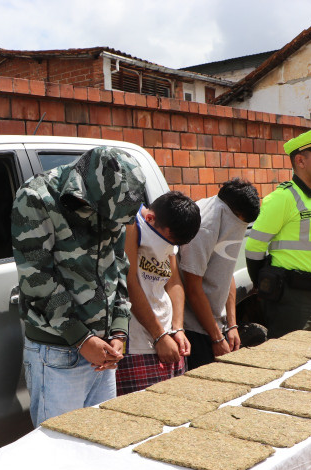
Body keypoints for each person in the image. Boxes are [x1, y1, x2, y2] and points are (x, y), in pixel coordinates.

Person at [11, 146, 146, 427]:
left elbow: (119, 266)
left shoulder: (116, 199)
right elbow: (37, 278)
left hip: (104, 352)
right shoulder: (37, 197)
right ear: (87, 192)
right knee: (60, 456)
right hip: (58, 351)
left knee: (99, 449)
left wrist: (119, 331)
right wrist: (82, 339)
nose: (112, 225)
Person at [245, 124, 311, 339]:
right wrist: (262, 286)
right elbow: (254, 247)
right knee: (288, 360)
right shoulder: (283, 198)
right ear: (300, 161)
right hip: (289, 297)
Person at [115, 191, 201, 395]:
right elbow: (129, 282)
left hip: (169, 339)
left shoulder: (168, 229)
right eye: (168, 240)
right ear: (150, 218)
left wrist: (178, 328)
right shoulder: (132, 224)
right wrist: (159, 336)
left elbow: (174, 282)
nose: (169, 247)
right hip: (137, 345)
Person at [180, 178, 261, 370]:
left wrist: (231, 325)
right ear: (236, 213)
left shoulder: (229, 214)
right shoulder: (204, 226)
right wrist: (216, 338)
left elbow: (227, 272)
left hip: (216, 325)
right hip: (195, 329)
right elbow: (192, 288)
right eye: (242, 222)